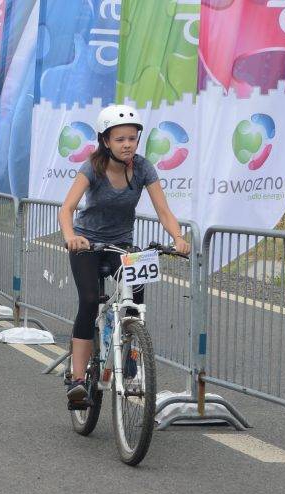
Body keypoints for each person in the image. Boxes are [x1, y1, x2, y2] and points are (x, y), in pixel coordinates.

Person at [57, 105, 190, 403]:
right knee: (89, 301)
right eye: (120, 139)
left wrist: (178, 238)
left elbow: (163, 210)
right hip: (88, 244)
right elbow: (66, 209)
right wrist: (71, 237)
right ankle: (77, 379)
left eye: (132, 138)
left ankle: (129, 352)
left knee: (135, 297)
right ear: (106, 141)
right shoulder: (93, 168)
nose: (127, 144)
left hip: (120, 244)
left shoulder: (143, 168)